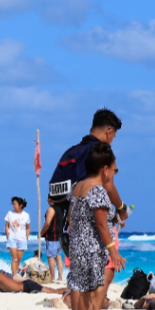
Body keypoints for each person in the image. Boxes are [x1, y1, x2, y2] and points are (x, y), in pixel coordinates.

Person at [47, 108, 129, 258]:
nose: (112, 141)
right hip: (92, 225)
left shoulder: (73, 150)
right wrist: (121, 208)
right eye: (114, 136)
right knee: (103, 270)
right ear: (109, 131)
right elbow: (108, 185)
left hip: (74, 223)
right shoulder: (101, 152)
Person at [67, 143, 125, 310]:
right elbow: (101, 225)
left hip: (77, 245)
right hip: (90, 247)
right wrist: (113, 251)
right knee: (89, 290)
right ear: (105, 170)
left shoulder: (78, 186)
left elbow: (72, 216)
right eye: (114, 168)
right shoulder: (98, 190)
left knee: (83, 287)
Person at [0, 266, 65, 295]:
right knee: (53, 291)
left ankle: (68, 290)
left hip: (28, 286)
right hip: (25, 286)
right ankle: (68, 290)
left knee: (55, 291)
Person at [4, 197, 30, 276]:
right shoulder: (10, 213)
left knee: (18, 259)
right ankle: (14, 275)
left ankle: (16, 274)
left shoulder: (26, 215)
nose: (13, 206)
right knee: (14, 258)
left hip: (22, 239)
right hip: (12, 238)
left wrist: (26, 238)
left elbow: (28, 227)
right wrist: (8, 235)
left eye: (15, 204)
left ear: (20, 205)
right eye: (13, 204)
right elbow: (7, 226)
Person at [42, 203, 63, 283]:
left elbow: (47, 223)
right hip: (59, 236)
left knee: (51, 257)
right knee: (58, 257)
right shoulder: (61, 209)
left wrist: (41, 233)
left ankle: (52, 277)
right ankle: (60, 277)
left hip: (52, 236)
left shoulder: (51, 209)